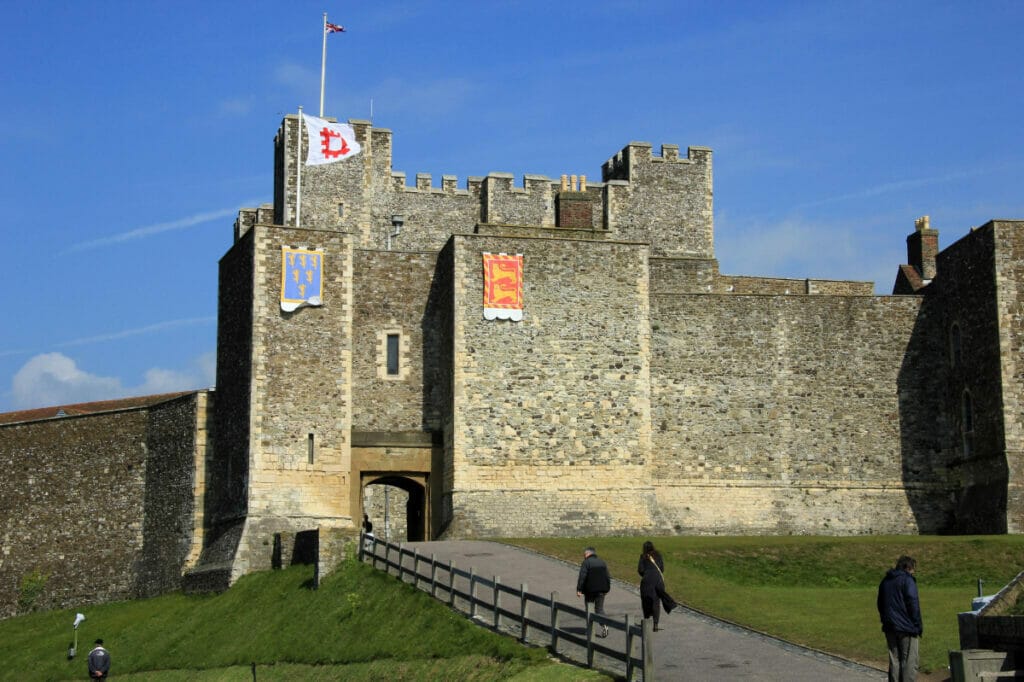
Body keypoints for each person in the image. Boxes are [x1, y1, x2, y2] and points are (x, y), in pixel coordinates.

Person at [877, 555, 922, 682]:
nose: (913, 572)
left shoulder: (885, 581)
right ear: (908, 568)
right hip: (906, 627)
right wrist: (917, 625)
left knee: (894, 660)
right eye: (913, 569)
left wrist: (885, 619)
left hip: (890, 626)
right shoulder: (907, 580)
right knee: (909, 661)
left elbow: (880, 603)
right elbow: (913, 603)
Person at [638, 541, 679, 631]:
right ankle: (655, 624)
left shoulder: (643, 556)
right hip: (657, 580)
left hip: (647, 581)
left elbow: (640, 570)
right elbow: (662, 568)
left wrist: (646, 574)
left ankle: (646, 621)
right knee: (656, 602)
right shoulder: (658, 555)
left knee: (646, 600)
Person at [576, 546, 611, 638]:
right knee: (599, 609)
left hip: (590, 591)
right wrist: (607, 589)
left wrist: (579, 589)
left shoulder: (586, 562)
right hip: (601, 590)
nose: (584, 556)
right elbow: (607, 576)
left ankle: (589, 629)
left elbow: (582, 577)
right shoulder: (602, 562)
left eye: (584, 554)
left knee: (589, 608)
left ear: (588, 554)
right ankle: (604, 624)